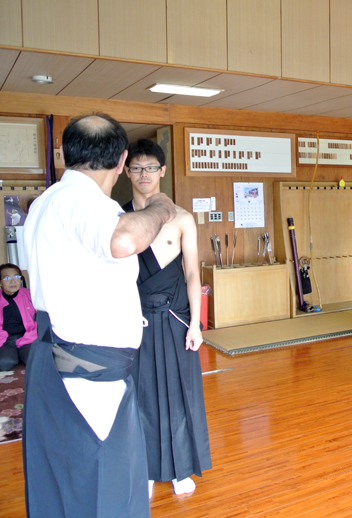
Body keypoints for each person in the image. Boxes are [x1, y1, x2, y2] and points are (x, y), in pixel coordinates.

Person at [23, 113, 177, 518]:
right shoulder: (85, 202)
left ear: (63, 154)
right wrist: (161, 207)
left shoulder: (45, 202)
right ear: (123, 160)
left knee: (60, 485)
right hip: (86, 374)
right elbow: (124, 239)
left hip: (55, 361)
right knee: (106, 490)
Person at [122, 138, 211, 497]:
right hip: (134, 319)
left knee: (180, 393)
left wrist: (196, 324)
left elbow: (192, 273)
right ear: (126, 171)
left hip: (176, 318)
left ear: (162, 171)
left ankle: (181, 468)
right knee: (138, 394)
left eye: (150, 167)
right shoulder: (119, 220)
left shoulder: (183, 218)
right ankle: (143, 468)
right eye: (136, 167)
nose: (143, 174)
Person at [0, 263, 36, 372]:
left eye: (16, 277)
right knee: (4, 363)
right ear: (0, 282)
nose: (13, 281)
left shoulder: (31, 295)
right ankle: (14, 355)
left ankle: (20, 353)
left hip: (28, 337)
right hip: (5, 340)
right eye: (7, 278)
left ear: (21, 280)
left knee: (35, 360)